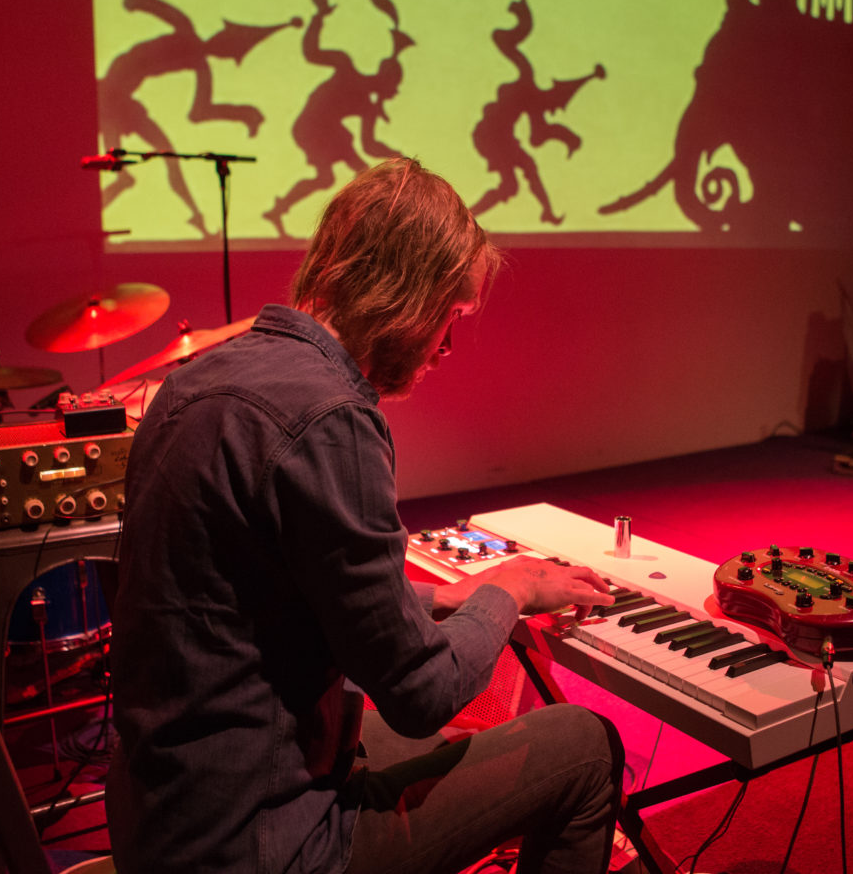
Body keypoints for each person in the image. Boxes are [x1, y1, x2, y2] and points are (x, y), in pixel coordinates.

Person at [106, 157, 625, 874]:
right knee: (584, 746)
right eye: (450, 316)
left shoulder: (190, 383)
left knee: (447, 743)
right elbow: (422, 693)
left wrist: (442, 596)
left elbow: (259, 590)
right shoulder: (329, 417)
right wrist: (511, 587)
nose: (449, 345)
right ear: (404, 295)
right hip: (261, 842)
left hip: (163, 812)